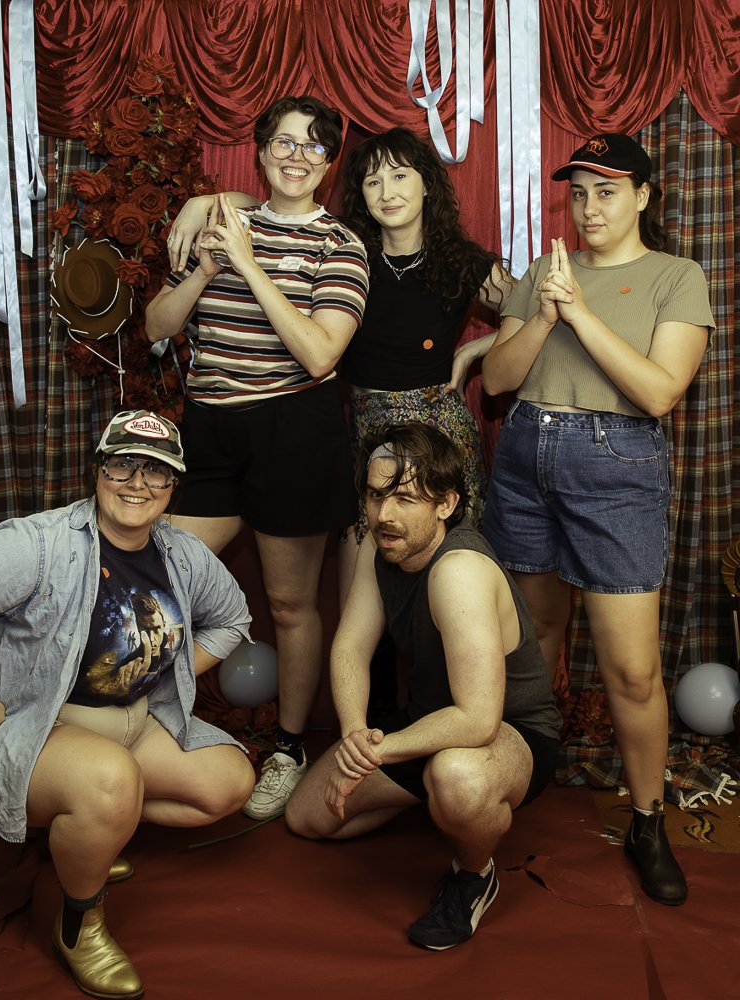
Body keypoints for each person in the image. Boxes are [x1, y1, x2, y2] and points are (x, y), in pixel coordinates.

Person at [0, 410, 255, 999]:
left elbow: (233, 618)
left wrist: (166, 673)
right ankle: (79, 923)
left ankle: (87, 835)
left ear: (173, 486)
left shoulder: (181, 553)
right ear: (97, 470)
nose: (138, 484)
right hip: (30, 726)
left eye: (156, 472)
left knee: (228, 783)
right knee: (111, 785)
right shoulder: (40, 543)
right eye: (122, 465)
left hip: (129, 721)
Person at [480, 133, 714, 906]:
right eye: (578, 193)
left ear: (643, 195)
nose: (589, 208)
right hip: (526, 459)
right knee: (530, 644)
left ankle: (647, 821)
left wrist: (580, 314)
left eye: (607, 191)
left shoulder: (676, 277)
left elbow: (659, 392)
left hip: (617, 468)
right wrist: (543, 316)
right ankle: (506, 790)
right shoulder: (546, 273)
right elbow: (498, 380)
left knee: (633, 671)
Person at [146, 95, 369, 820]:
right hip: (211, 429)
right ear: (261, 152)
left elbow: (320, 354)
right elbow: (155, 325)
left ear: (329, 163)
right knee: (158, 578)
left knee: (288, 604)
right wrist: (208, 268)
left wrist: (249, 264)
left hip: (294, 431)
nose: (296, 156)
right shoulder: (219, 223)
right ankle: (147, 721)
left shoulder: (341, 246)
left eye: (313, 145)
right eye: (283, 142)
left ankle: (289, 747)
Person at [285, 422, 561, 951]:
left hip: (510, 731)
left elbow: (478, 720)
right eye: (376, 496)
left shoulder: (459, 570)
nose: (384, 514)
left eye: (406, 499)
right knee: (308, 818)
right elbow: (350, 647)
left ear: (446, 504)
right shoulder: (381, 547)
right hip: (431, 722)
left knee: (456, 778)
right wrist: (354, 733)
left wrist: (379, 752)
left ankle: (473, 875)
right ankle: (434, 801)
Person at [338, 128, 513, 597]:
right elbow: (280, 210)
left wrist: (476, 348)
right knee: (363, 590)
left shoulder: (459, 261)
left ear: (427, 185)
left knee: (449, 585)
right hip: (367, 432)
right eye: (373, 181)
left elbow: (536, 312)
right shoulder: (347, 258)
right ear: (362, 196)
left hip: (439, 433)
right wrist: (205, 203)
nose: (387, 192)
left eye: (399, 176)